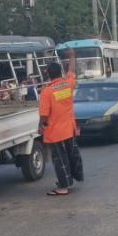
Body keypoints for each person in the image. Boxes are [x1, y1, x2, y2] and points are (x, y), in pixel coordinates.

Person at [39, 50, 82, 196]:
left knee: (59, 159)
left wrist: (40, 126)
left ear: (48, 74)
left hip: (55, 132)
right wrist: (71, 56)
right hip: (69, 128)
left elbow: (44, 115)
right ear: (60, 73)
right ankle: (68, 180)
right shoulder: (68, 84)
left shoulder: (47, 92)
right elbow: (71, 71)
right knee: (70, 156)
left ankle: (63, 187)